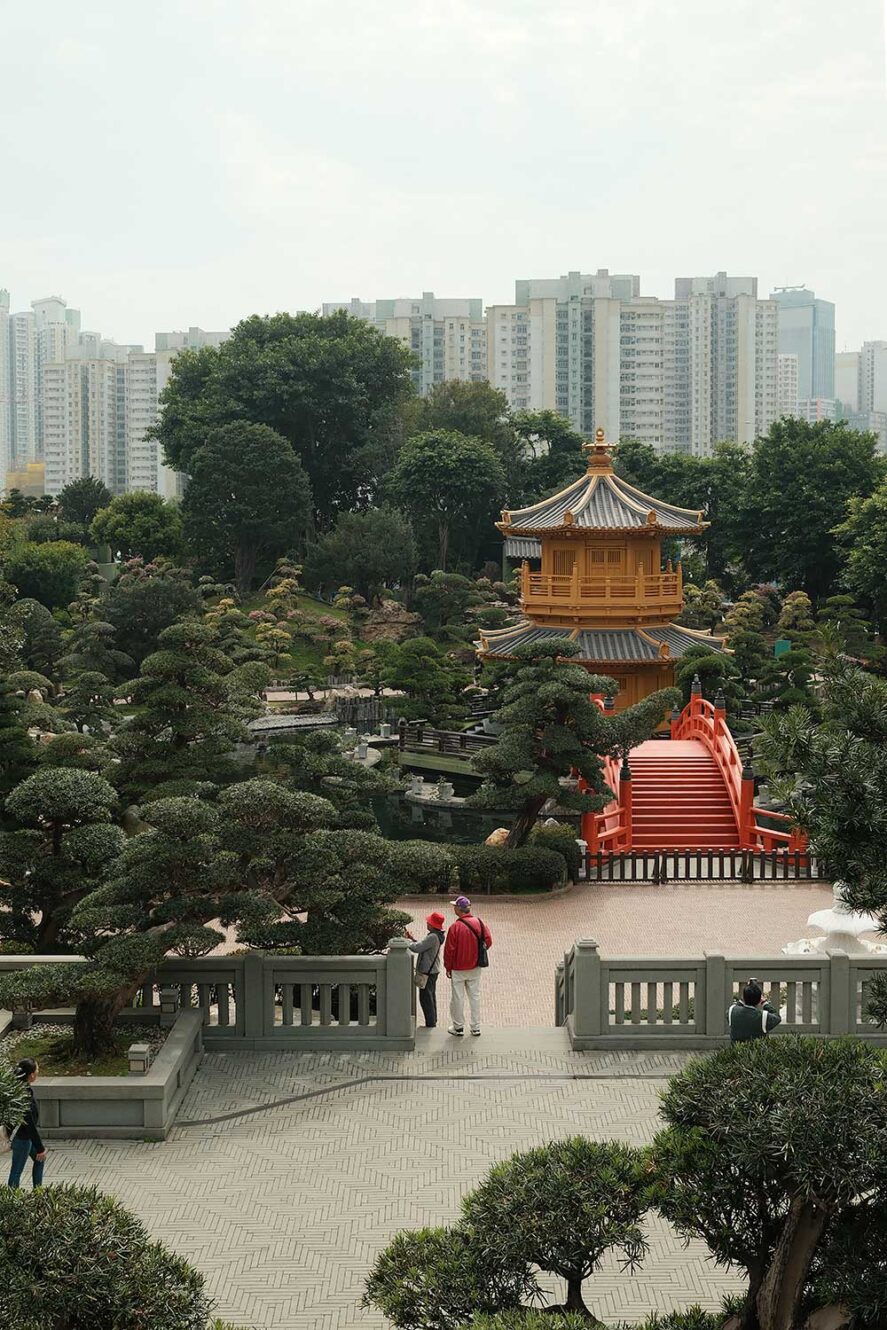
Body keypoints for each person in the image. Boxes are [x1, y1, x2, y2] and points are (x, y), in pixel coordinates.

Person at [443, 896, 492, 1038]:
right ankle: (476, 1027)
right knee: (475, 996)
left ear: (459, 909)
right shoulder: (480, 923)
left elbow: (449, 950)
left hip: (458, 968)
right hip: (475, 966)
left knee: (457, 998)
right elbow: (488, 941)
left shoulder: (455, 927)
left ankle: (458, 1027)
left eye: (455, 906)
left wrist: (448, 967)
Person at [6, 1058, 46, 1189]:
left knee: (40, 1160)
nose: (38, 1072)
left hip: (24, 1138)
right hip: (22, 1139)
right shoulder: (23, 1094)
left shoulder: (18, 1089)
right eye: (37, 1070)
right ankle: (11, 1201)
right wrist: (40, 1148)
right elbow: (28, 1123)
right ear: (32, 1075)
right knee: (16, 1171)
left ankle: (38, 1193)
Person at [405, 912, 446, 1028]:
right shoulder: (436, 935)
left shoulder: (432, 936)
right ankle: (433, 1020)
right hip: (433, 970)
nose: (427, 923)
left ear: (433, 925)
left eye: (429, 922)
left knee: (425, 998)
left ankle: (430, 1023)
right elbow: (423, 945)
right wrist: (412, 939)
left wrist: (407, 942)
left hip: (428, 971)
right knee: (430, 996)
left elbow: (418, 948)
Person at [728, 979, 782, 1043]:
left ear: (744, 998)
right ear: (759, 1000)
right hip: (757, 1051)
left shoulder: (732, 1011)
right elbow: (777, 1017)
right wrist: (765, 1003)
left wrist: (741, 1001)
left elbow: (735, 1007)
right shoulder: (763, 1017)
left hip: (736, 1051)